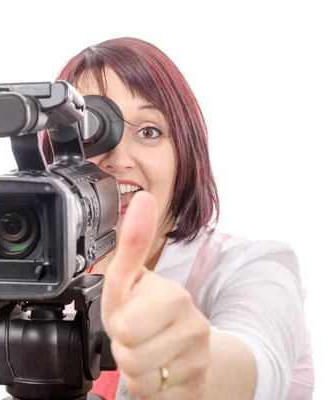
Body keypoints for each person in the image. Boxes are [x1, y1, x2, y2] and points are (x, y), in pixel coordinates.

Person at [42, 37, 314, 400]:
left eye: (149, 131)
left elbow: (259, 359)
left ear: (184, 153)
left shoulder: (252, 269)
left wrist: (196, 366)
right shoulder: (52, 280)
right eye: (89, 132)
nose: (119, 158)